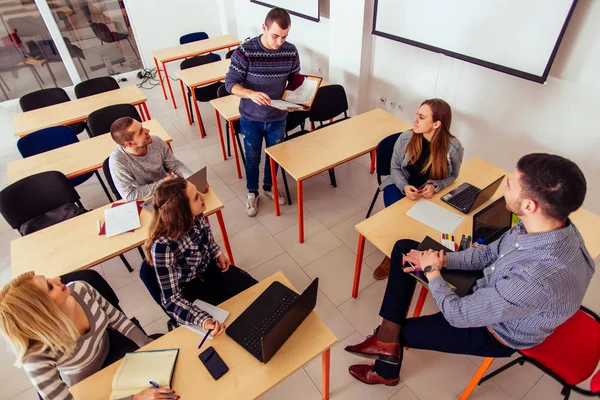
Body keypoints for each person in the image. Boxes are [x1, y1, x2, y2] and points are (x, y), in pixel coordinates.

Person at [345, 153, 594, 386]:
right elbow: (488, 253)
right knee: (404, 249)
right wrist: (443, 262)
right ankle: (385, 341)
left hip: (495, 331)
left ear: (529, 206)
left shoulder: (535, 277)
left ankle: (386, 365)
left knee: (398, 333)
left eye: (509, 184)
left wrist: (432, 271)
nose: (504, 188)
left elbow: (458, 315)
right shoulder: (549, 227)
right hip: (497, 287)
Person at [0, 272, 176, 400]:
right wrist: (135, 399)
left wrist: (148, 345)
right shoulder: (35, 354)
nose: (58, 280)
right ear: (42, 311)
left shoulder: (80, 288)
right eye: (50, 286)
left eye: (48, 278)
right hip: (85, 385)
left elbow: (117, 319)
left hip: (113, 351)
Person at [145, 177, 257, 336]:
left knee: (255, 294)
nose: (202, 196)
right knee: (229, 329)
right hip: (189, 289)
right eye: (196, 197)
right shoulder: (163, 247)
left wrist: (216, 252)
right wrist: (202, 320)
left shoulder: (197, 215)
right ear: (182, 211)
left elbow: (207, 240)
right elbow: (171, 300)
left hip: (210, 271)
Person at [373, 98, 464, 279]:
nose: (415, 120)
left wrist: (435, 186)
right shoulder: (406, 138)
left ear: (437, 123)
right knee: (400, 218)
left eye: (422, 117)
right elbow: (395, 168)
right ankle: (391, 255)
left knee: (438, 222)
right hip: (400, 184)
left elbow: (453, 176)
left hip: (428, 193)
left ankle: (419, 252)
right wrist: (404, 186)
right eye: (417, 114)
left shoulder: (453, 148)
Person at [225, 7, 300, 217]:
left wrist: (301, 95)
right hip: (251, 117)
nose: (279, 43)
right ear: (264, 28)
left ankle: (269, 187)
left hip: (278, 117)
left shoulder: (290, 51)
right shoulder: (246, 51)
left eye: (284, 37)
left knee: (274, 157)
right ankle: (252, 192)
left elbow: (294, 81)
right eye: (275, 36)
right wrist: (250, 94)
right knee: (252, 158)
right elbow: (230, 83)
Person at [109, 117, 193, 201]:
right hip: (144, 198)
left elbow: (176, 165)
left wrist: (192, 179)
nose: (147, 130)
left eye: (142, 127)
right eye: (141, 131)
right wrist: (162, 183)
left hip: (167, 189)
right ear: (130, 144)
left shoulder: (156, 141)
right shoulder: (117, 161)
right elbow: (129, 195)